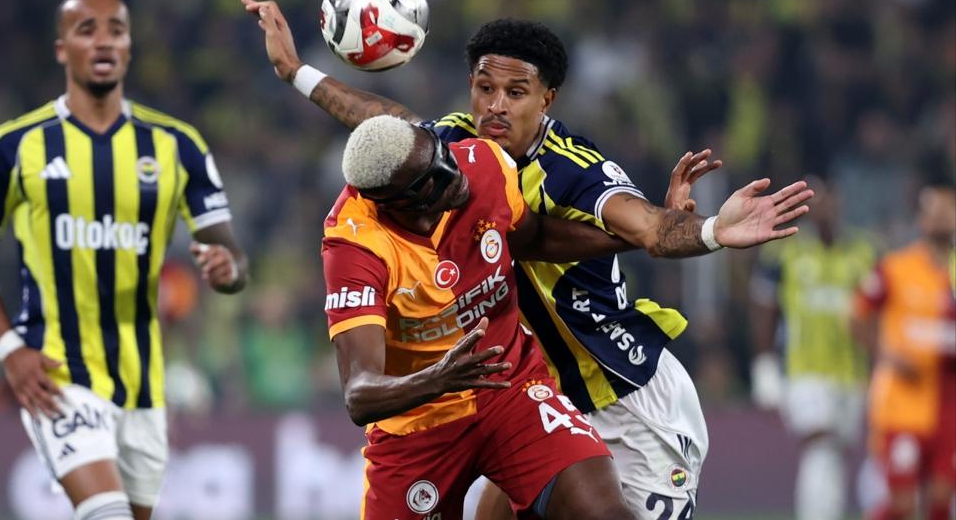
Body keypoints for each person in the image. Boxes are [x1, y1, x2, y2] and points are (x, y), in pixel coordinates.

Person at [243, 0, 812, 517]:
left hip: (623, 395)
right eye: (484, 88)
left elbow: (651, 227)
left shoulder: (574, 169)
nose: (495, 107)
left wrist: (711, 230)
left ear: (547, 99)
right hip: (529, 393)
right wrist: (296, 71)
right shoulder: (457, 149)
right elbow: (386, 128)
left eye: (515, 93)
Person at [322, 114, 810, 519]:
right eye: (436, 179)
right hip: (420, 428)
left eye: (442, 156)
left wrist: (653, 231)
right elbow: (360, 394)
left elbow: (535, 237)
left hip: (511, 392)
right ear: (398, 202)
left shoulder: (482, 163)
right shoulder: (355, 246)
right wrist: (439, 378)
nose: (456, 175)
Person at [0, 0, 248, 520]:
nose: (104, 41)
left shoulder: (177, 145)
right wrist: (10, 350)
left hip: (143, 384)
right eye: (87, 30)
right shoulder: (16, 146)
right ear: (62, 49)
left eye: (117, 30)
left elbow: (233, 258)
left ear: (129, 48)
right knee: (106, 514)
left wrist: (227, 269)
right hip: (58, 373)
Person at [749, 177, 875, 520]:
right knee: (820, 443)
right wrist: (764, 366)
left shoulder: (863, 252)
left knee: (837, 449)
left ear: (839, 203)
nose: (824, 208)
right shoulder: (784, 251)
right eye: (816, 201)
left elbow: (875, 315)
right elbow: (763, 309)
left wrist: (877, 364)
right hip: (803, 368)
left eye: (829, 200)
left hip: (852, 371)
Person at [852, 180, 955, 520]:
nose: (942, 218)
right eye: (934, 211)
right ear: (921, 220)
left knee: (942, 502)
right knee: (902, 504)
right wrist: (887, 354)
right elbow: (857, 316)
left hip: (949, 406)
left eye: (948, 210)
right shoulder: (896, 267)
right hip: (903, 405)